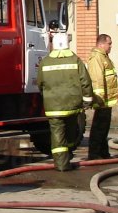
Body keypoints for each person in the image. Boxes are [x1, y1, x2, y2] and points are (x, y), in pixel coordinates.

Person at [38, 31, 93, 171]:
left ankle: (61, 164)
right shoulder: (75, 60)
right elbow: (85, 81)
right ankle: (67, 157)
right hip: (72, 105)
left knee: (57, 135)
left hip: (53, 106)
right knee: (71, 132)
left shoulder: (45, 62)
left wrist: (47, 97)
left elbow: (40, 83)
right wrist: (87, 100)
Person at [86, 33, 118, 160]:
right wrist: (99, 98)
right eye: (109, 43)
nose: (111, 46)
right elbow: (97, 79)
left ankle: (103, 152)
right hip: (102, 101)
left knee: (103, 128)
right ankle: (94, 154)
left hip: (106, 101)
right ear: (101, 44)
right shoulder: (97, 58)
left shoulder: (104, 57)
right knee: (99, 127)